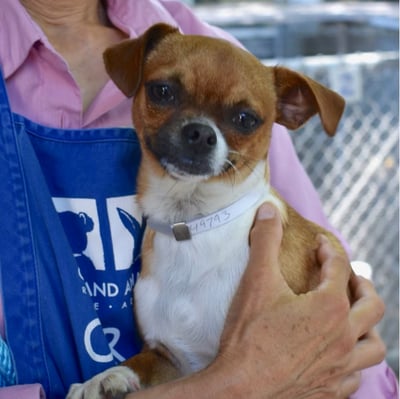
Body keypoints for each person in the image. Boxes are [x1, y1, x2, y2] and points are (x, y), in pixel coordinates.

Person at [0, 1, 397, 398]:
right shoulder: (166, 46)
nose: (200, 134)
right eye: (164, 93)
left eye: (243, 120)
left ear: (289, 112)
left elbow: (351, 354)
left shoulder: (224, 53)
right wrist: (236, 385)